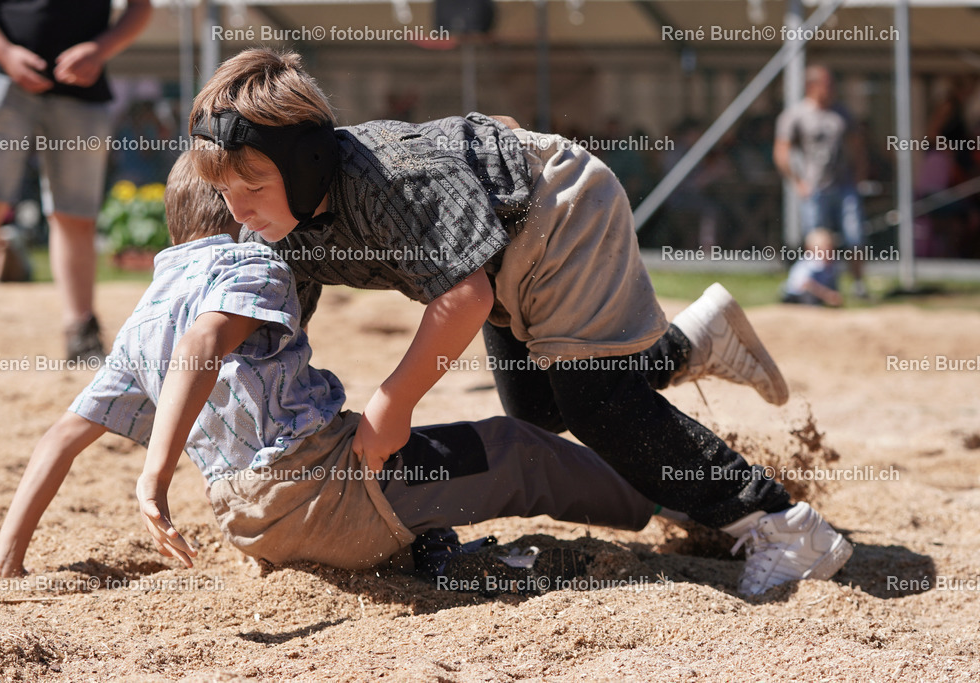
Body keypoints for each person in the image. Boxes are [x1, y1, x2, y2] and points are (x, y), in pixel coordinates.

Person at [186, 48, 852, 596]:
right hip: (497, 256)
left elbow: (463, 299)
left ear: (306, 165)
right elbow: (272, 333)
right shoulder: (283, 225)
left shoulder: (391, 175)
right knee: (537, 410)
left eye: (252, 189)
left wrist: (392, 401)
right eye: (224, 194)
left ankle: (782, 522)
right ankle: (690, 342)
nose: (238, 211)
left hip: (555, 209)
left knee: (596, 404)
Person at [0, 152, 669, 592]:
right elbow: (204, 339)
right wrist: (154, 473)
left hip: (252, 524)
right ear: (236, 210)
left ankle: (436, 550)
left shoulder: (138, 322)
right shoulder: (249, 261)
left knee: (427, 482)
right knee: (518, 450)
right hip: (328, 489)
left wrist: (6, 562)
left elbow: (58, 440)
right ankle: (663, 501)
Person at [0, 0, 153, 367]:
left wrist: (99, 49)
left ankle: (81, 334)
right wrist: (3, 52)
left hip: (82, 86)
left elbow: (140, 7)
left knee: (76, 215)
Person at [774, 64, 868, 299]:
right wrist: (797, 181)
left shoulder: (842, 113)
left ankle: (858, 285)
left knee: (854, 236)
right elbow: (781, 151)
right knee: (818, 243)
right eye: (827, 84)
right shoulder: (796, 114)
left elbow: (857, 146)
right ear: (812, 86)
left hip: (844, 185)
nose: (832, 89)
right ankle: (820, 287)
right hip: (814, 188)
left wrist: (859, 175)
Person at [782, 229, 843, 307]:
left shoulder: (831, 266)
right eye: (822, 249)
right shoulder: (810, 263)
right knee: (808, 296)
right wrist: (826, 295)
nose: (827, 252)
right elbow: (805, 285)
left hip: (815, 297)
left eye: (829, 249)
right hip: (795, 295)